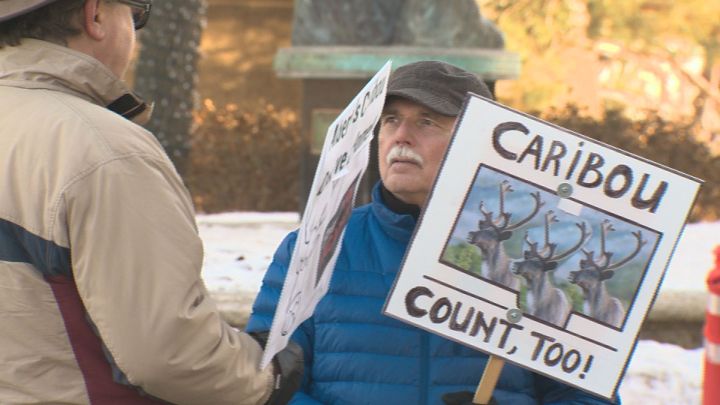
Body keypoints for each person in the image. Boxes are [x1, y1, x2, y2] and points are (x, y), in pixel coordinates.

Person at [247, 61, 619, 405]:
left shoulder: (538, 265)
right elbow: (264, 385)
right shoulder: (313, 248)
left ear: (480, 143)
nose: (401, 137)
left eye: (427, 122)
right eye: (391, 120)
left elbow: (589, 395)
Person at [0, 1, 301, 404]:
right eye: (137, 15)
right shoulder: (102, 149)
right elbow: (168, 354)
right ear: (96, 16)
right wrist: (267, 375)